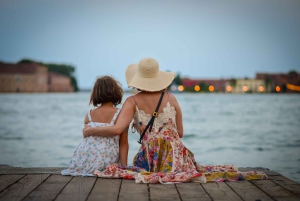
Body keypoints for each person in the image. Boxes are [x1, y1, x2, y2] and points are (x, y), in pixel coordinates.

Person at [83, 58, 267, 183]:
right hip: (178, 157)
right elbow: (180, 133)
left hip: (152, 159)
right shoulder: (172, 98)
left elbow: (117, 129)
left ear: (138, 79)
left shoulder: (132, 101)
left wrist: (91, 130)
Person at [61, 76, 129, 176]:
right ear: (116, 92)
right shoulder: (121, 115)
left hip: (83, 159)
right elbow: (123, 143)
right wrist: (124, 168)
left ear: (96, 93)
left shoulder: (89, 114)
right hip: (106, 160)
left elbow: (87, 139)